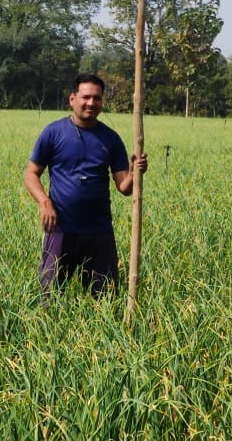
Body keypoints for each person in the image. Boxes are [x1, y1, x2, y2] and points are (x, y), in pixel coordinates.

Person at [24, 73, 148, 299]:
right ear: (72, 99)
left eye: (97, 98)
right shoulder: (53, 133)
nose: (91, 103)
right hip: (60, 228)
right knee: (50, 297)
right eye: (86, 97)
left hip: (98, 230)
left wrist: (134, 171)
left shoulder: (110, 139)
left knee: (106, 298)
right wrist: (44, 201)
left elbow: (124, 187)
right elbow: (31, 174)